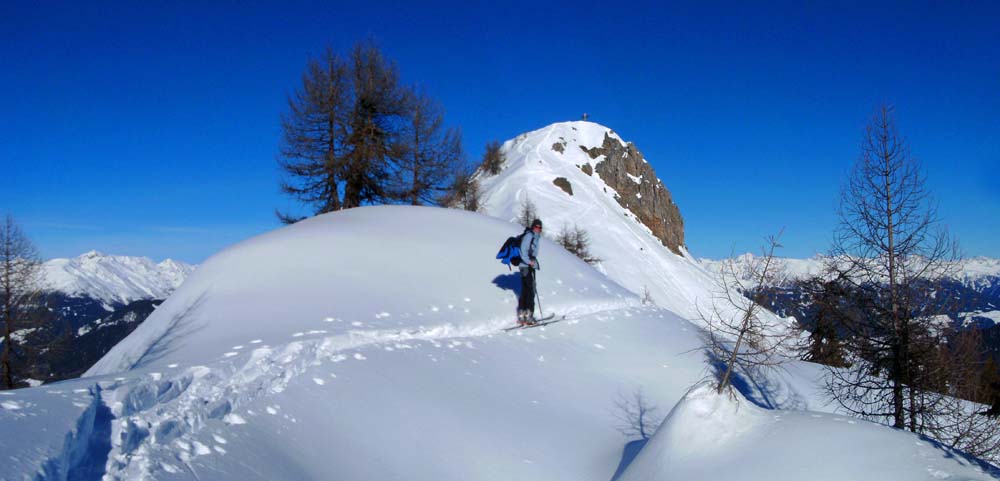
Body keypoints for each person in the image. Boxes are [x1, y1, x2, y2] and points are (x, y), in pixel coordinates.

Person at [518, 219, 543, 325]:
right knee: (530, 291)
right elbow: (523, 251)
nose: (538, 229)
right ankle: (528, 316)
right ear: (533, 227)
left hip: (526, 266)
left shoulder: (534, 237)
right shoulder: (529, 236)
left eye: (540, 227)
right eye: (536, 227)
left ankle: (522, 314)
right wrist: (529, 262)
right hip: (526, 266)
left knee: (525, 290)